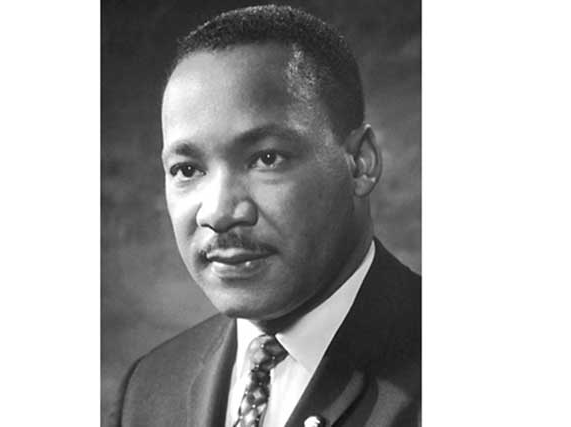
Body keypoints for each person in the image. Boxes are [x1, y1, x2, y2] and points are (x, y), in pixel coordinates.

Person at [110, 5, 420, 427]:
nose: (219, 213)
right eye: (187, 169)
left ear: (359, 164)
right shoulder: (148, 388)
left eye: (266, 159)